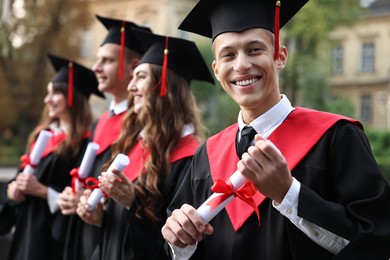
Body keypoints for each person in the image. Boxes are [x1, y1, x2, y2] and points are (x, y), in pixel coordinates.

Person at [161, 0, 390, 259]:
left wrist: (288, 193)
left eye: (255, 49)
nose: (241, 65)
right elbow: (179, 248)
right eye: (228, 55)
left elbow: (375, 243)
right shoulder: (206, 156)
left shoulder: (336, 137)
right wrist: (180, 243)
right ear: (216, 69)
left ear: (279, 56)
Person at [76, 29, 214, 260]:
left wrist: (134, 203)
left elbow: (180, 245)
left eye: (140, 77)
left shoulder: (190, 158)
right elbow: (117, 230)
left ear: (164, 87)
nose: (130, 87)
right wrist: (100, 218)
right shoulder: (131, 145)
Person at [58, 15, 152, 260]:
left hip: (115, 238)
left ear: (134, 66)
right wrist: (71, 196)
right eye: (97, 60)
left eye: (107, 61)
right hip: (79, 230)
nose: (96, 68)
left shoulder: (144, 127)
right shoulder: (99, 123)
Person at [6, 53, 104, 260]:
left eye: (55, 93)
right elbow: (21, 178)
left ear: (73, 96)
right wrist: (14, 192)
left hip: (54, 237)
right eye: (47, 93)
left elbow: (77, 197)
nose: (46, 100)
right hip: (27, 227)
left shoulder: (86, 143)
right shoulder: (43, 136)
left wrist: (41, 191)